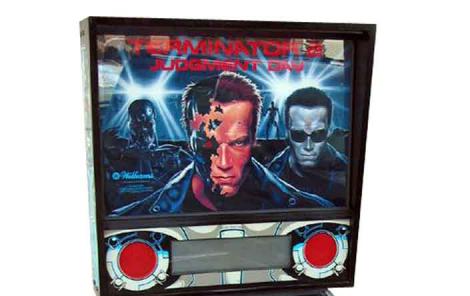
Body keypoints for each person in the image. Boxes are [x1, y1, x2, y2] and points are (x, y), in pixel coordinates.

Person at [111, 72, 330, 215]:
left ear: (253, 140)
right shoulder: (134, 216)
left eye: (238, 143)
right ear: (189, 141)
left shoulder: (313, 209)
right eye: (208, 146)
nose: (223, 163)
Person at [267, 87, 348, 206]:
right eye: (298, 134)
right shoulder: (269, 176)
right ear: (287, 132)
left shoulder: (349, 173)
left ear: (329, 131)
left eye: (318, 134)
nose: (308, 146)